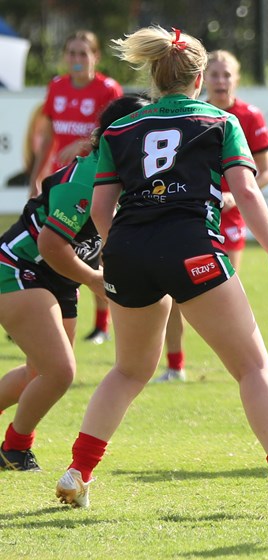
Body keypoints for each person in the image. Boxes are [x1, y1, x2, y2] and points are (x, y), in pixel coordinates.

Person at [54, 26, 268, 512]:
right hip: (190, 245)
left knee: (128, 370)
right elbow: (247, 192)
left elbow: (102, 204)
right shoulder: (219, 121)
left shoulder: (121, 128)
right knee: (252, 367)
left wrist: (111, 249)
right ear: (200, 77)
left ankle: (77, 471)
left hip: (127, 249)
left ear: (154, 76)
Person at [0, 95, 148, 471]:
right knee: (59, 371)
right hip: (18, 266)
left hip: (58, 275)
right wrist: (97, 281)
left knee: (39, 372)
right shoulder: (87, 176)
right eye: (142, 128)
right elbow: (50, 244)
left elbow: (94, 238)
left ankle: (13, 446)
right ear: (119, 135)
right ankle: (15, 447)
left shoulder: (125, 176)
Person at [155, 49, 268, 383]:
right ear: (202, 79)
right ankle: (175, 365)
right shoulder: (193, 114)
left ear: (236, 79)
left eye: (227, 75)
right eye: (215, 75)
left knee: (222, 295)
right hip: (188, 216)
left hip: (229, 218)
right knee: (175, 295)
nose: (220, 81)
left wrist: (232, 196)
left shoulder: (248, 117)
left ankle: (244, 367)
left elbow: (265, 173)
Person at [31, 30, 123, 346]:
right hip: (62, 184)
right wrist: (37, 174)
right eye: (71, 53)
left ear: (96, 57)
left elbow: (115, 132)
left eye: (83, 53)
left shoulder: (107, 89)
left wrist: (80, 145)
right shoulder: (56, 87)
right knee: (49, 246)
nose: (76, 59)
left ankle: (102, 324)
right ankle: (38, 314)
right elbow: (48, 137)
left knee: (97, 254)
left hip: (95, 184)